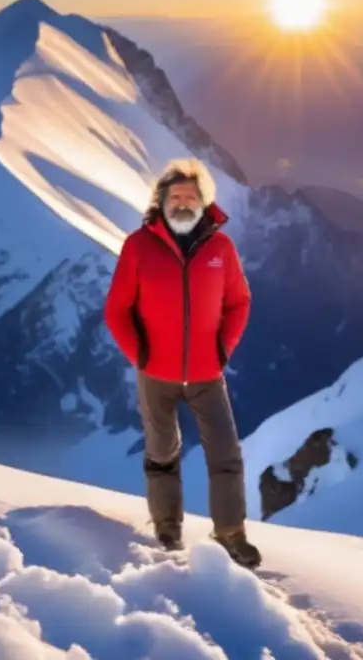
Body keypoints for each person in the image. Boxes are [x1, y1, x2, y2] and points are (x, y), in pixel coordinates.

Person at [104, 158, 262, 568]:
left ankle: (231, 534)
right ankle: (167, 528)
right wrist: (139, 354)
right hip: (156, 374)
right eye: (175, 196)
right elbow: (117, 310)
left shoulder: (220, 248)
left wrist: (223, 350)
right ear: (161, 200)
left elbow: (239, 302)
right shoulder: (138, 246)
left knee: (226, 455)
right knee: (162, 453)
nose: (182, 202)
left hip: (208, 375)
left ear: (203, 201)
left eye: (190, 196)